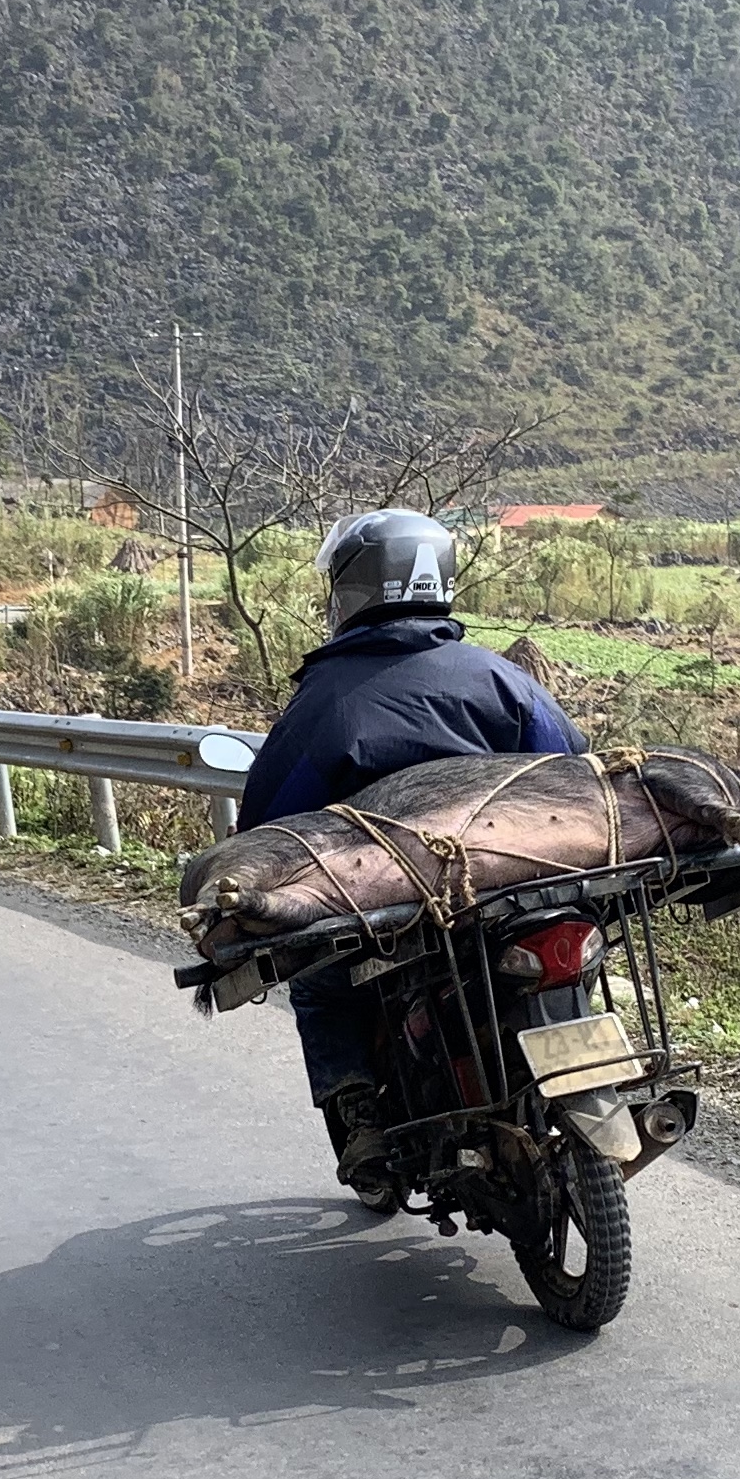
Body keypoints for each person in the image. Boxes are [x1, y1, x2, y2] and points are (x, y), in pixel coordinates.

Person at [237, 508, 582, 1187]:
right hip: (518, 893)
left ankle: (359, 1111)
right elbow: (572, 770)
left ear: (352, 588)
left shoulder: (326, 701)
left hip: (393, 912)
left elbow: (270, 820)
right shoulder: (501, 677)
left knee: (320, 982)